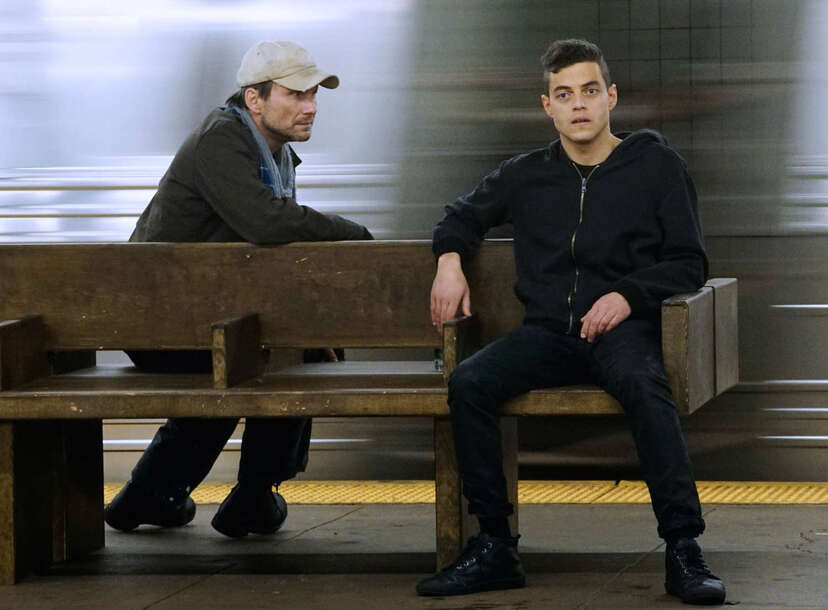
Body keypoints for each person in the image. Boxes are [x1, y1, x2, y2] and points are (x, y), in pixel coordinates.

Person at [418, 39, 726, 605]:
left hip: (622, 332)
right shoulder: (526, 174)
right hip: (548, 335)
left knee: (644, 386)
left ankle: (684, 548)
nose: (578, 105)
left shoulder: (656, 165)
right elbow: (459, 216)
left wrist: (627, 296)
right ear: (548, 107)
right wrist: (449, 262)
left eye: (589, 91)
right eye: (565, 95)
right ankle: (495, 546)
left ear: (611, 97)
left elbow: (689, 261)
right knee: (468, 384)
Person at [104, 41, 371, 539]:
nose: (311, 106)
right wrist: (351, 232)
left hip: (193, 315)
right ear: (255, 99)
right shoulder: (223, 140)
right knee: (279, 361)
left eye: (313, 94)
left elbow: (272, 256)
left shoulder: (274, 154)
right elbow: (267, 223)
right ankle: (252, 496)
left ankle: (150, 493)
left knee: (265, 357)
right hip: (158, 322)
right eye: (295, 94)